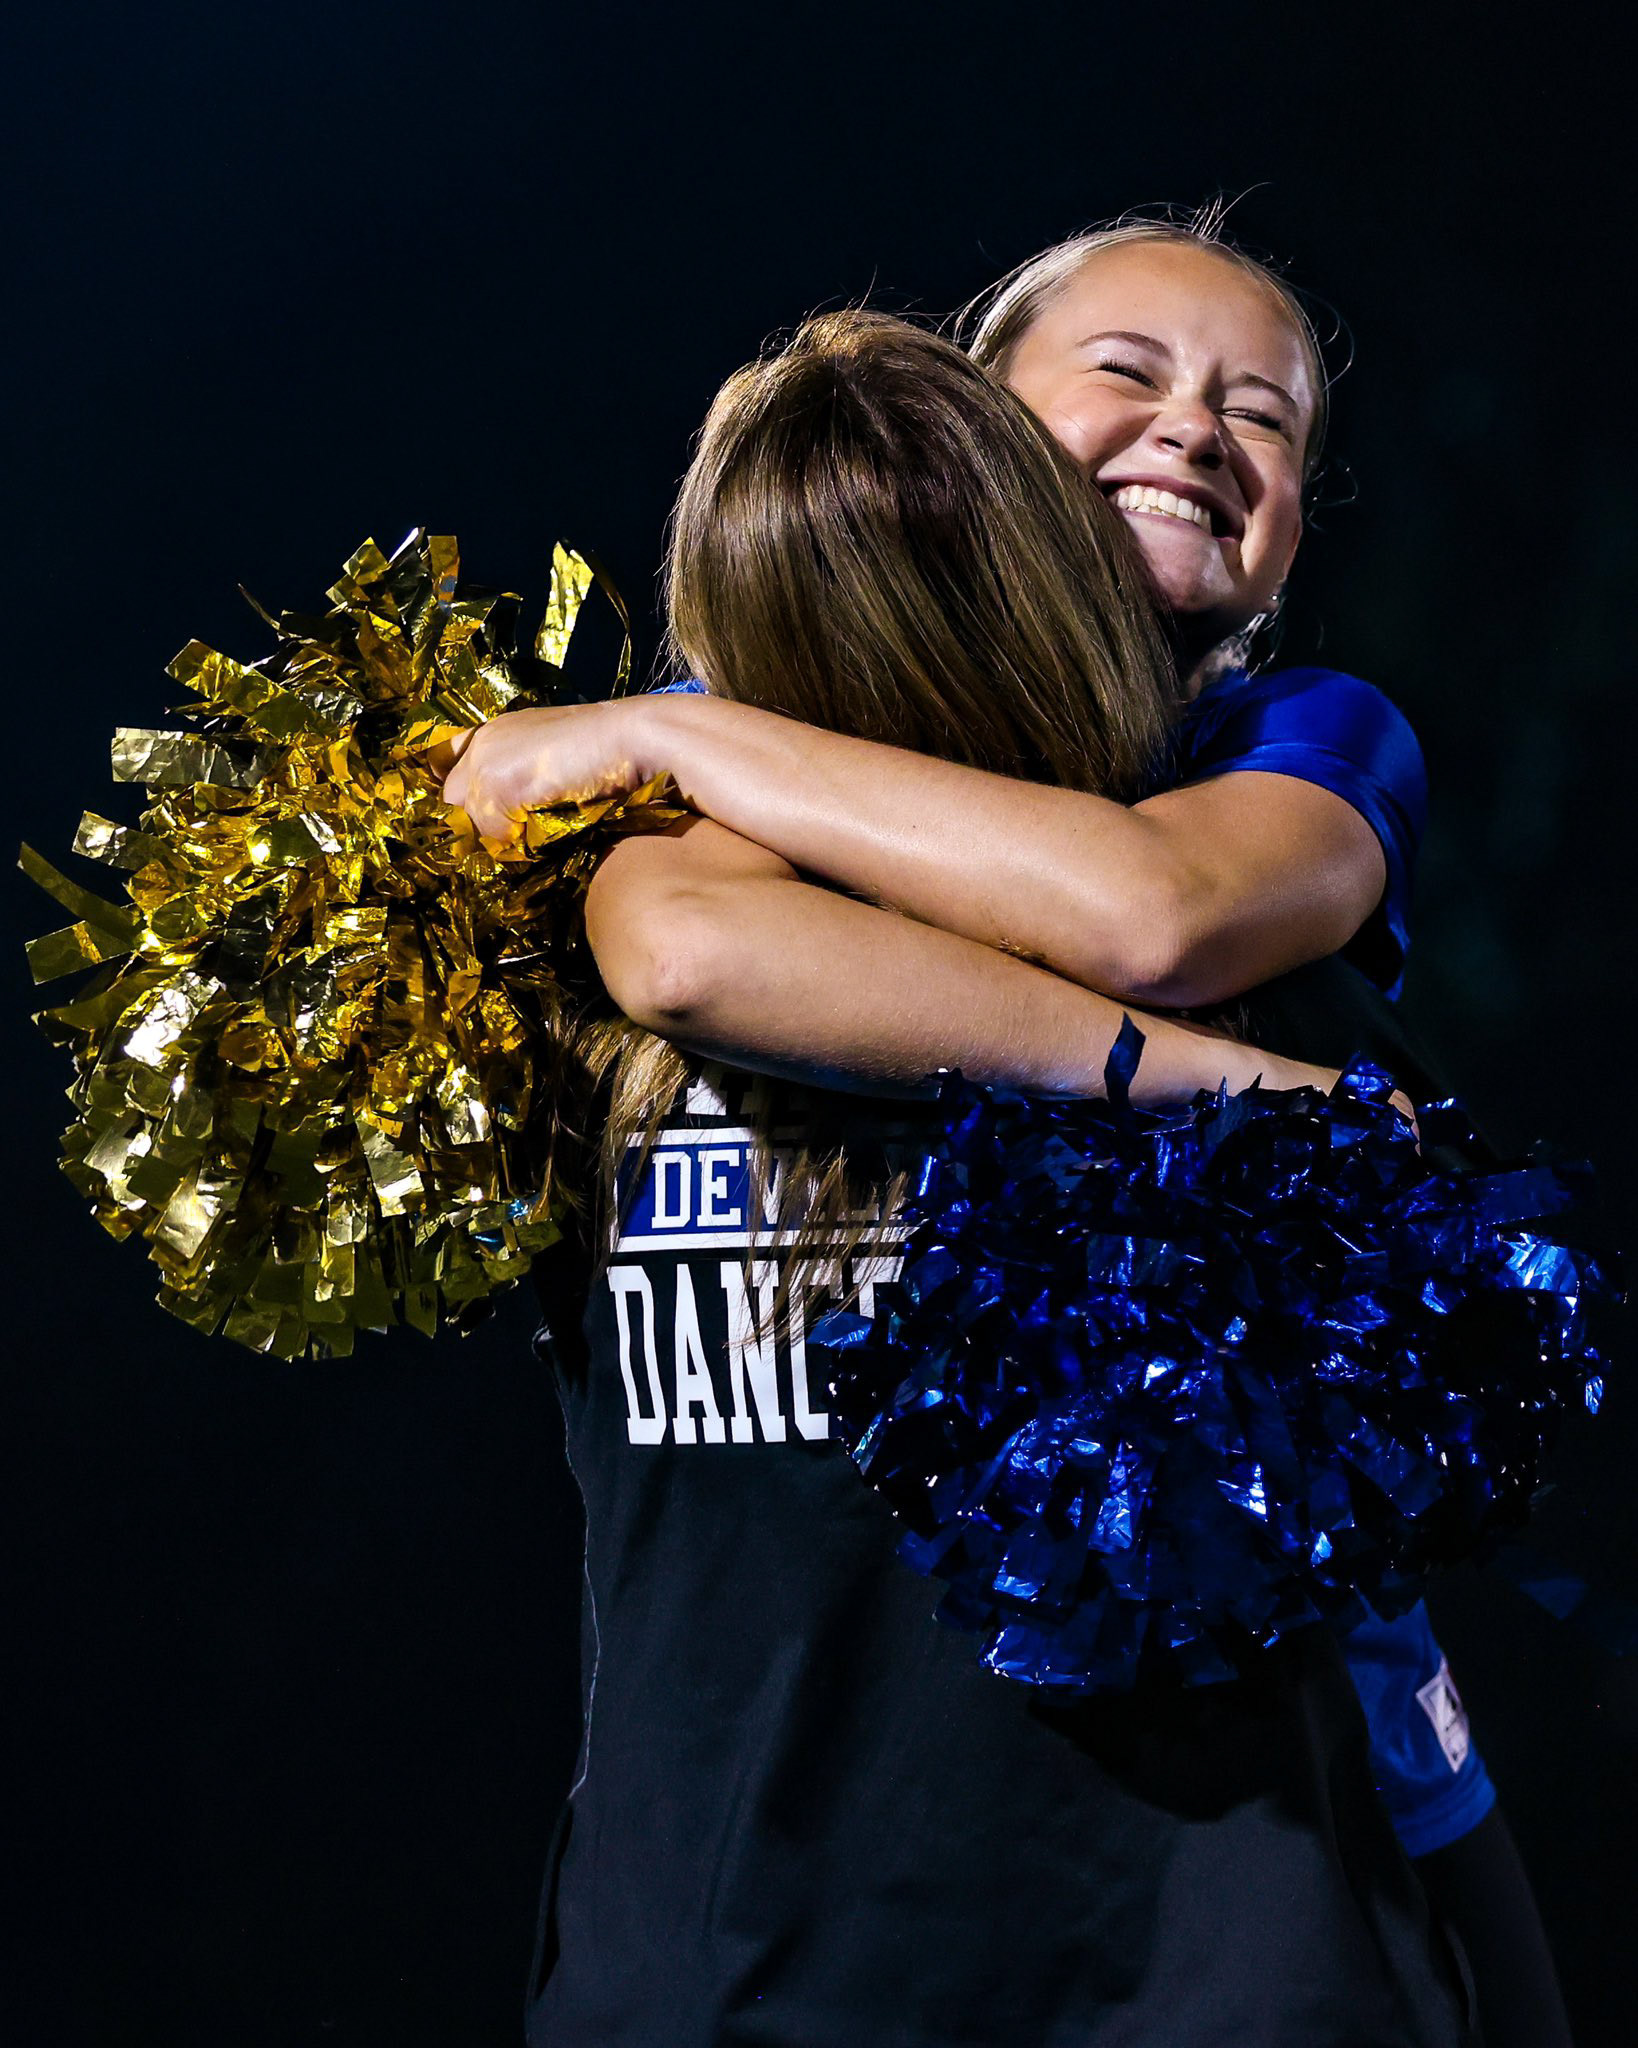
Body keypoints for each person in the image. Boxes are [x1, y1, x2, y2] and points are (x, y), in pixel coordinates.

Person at [446, 219, 1569, 2047]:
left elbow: (1147, 915)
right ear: (964, 428)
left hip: (1218, 1946)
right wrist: (1216, 1088)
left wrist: (681, 747)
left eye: (1263, 414)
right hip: (733, 1950)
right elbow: (686, 946)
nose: (1195, 427)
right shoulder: (699, 781)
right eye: (1126, 372)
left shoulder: (1284, 754)